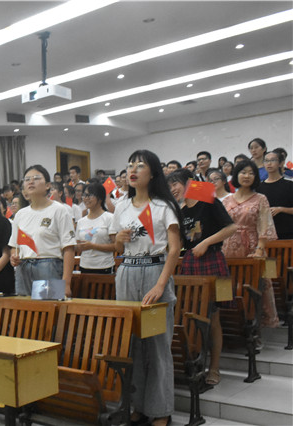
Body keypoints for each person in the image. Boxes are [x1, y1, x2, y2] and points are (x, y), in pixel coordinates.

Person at [109, 150, 182, 426]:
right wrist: (120, 238)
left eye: (140, 165)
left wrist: (160, 285)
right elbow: (117, 246)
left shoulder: (164, 206)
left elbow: (174, 250)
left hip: (155, 270)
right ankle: (137, 405)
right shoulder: (122, 206)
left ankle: (161, 410)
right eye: (130, 165)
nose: (133, 170)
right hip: (127, 271)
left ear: (152, 173)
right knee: (132, 345)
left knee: (157, 346)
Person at [168, 168, 237, 386]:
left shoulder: (208, 200)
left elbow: (232, 227)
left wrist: (206, 242)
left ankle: (214, 368)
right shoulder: (179, 210)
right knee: (191, 314)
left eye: (175, 184)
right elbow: (180, 243)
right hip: (190, 262)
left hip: (213, 260)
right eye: (169, 186)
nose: (172, 189)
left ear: (189, 182)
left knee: (213, 316)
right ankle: (193, 364)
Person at [222, 160, 279, 328]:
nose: (247, 176)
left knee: (256, 284)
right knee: (229, 283)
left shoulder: (261, 199)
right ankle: (231, 322)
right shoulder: (226, 200)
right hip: (228, 248)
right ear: (236, 175)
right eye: (243, 172)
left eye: (251, 173)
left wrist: (260, 249)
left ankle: (257, 324)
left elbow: (264, 225)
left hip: (252, 247)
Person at [9, 165, 75, 297]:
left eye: (36, 178)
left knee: (48, 307)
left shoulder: (59, 210)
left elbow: (69, 248)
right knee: (24, 308)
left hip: (48, 266)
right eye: (27, 179)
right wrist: (14, 257)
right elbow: (14, 246)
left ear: (47, 185)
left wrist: (66, 283)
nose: (31, 182)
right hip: (23, 268)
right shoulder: (21, 214)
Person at [75, 183, 115, 274]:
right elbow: (78, 245)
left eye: (90, 195)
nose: (86, 198)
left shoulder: (109, 218)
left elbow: (116, 246)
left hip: (104, 266)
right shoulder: (81, 221)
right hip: (84, 265)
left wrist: (93, 246)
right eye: (84, 195)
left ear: (100, 198)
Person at [257, 151, 293, 240]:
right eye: (266, 161)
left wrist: (281, 209)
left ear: (280, 163)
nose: (269, 163)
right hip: (266, 234)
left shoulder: (289, 184)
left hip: (288, 232)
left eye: (273, 160)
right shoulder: (259, 187)